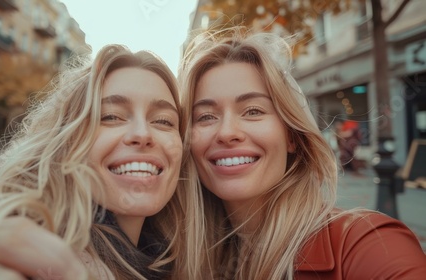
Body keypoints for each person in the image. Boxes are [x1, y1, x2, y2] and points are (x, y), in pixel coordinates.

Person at [0, 45, 205, 280]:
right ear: (67, 141)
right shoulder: (40, 259)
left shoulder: (179, 260)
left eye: (163, 121)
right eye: (110, 116)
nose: (143, 134)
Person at [179, 27, 426, 279]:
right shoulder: (178, 257)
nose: (227, 132)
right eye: (206, 116)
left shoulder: (368, 245)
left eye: (253, 111)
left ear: (291, 137)